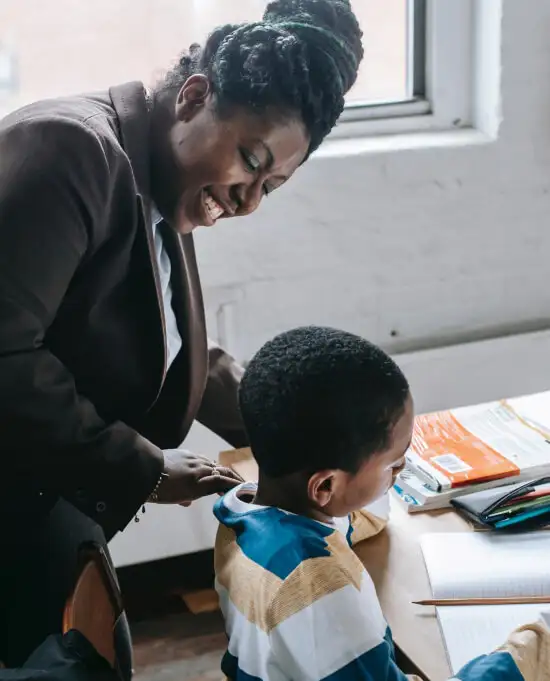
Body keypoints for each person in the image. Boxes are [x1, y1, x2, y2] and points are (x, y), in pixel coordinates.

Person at [0, 0, 364, 671]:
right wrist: (141, 467)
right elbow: (5, 355)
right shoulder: (71, 151)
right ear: (194, 97)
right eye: (250, 161)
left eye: (272, 186)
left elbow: (160, 343)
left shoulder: (160, 184)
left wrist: (323, 433)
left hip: (49, 496)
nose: (249, 201)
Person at [213, 326, 550, 681]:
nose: (402, 470)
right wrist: (533, 650)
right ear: (326, 485)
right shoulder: (322, 588)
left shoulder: (242, 519)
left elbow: (350, 518)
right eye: (395, 463)